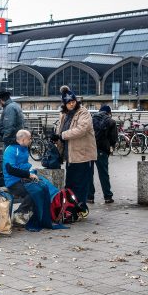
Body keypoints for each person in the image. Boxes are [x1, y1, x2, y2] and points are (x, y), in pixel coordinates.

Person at [52, 86, 97, 216]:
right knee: (70, 184)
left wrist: (62, 136)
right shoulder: (64, 115)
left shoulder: (84, 113)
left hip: (83, 155)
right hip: (70, 155)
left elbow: (81, 129)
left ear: (76, 101)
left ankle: (81, 209)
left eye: (73, 101)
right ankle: (71, 209)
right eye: (68, 102)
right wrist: (56, 138)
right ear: (64, 104)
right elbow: (60, 131)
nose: (71, 104)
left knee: (81, 184)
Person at [3, 130, 39, 225]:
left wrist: (31, 171)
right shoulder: (10, 150)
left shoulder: (24, 148)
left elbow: (25, 165)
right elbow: (10, 169)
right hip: (12, 181)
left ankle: (29, 213)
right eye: (29, 138)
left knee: (40, 188)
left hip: (22, 178)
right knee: (33, 192)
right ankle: (18, 214)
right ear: (23, 140)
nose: (31, 140)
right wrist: (28, 175)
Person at [88, 105, 118, 204]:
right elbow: (113, 138)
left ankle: (89, 197)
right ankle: (108, 196)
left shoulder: (91, 119)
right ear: (109, 112)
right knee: (103, 174)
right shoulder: (111, 121)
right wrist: (110, 148)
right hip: (102, 150)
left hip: (89, 149)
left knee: (89, 173)